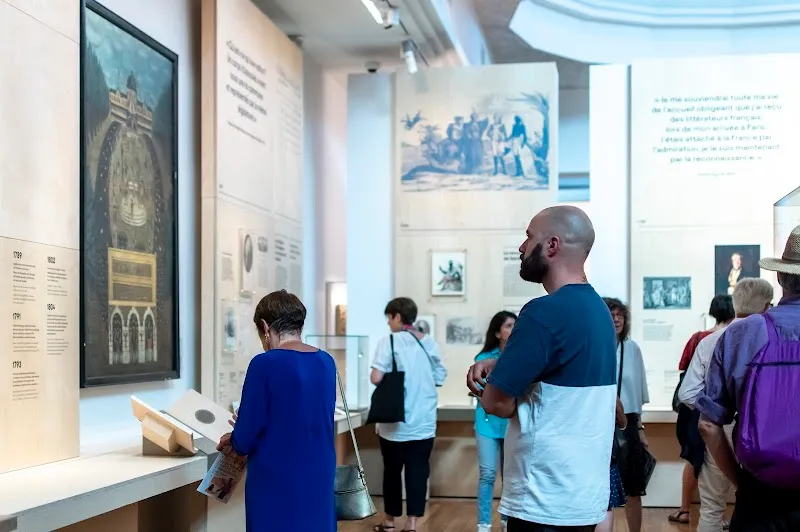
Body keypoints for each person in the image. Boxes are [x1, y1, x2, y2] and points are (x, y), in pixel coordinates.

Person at [466, 205, 617, 531]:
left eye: (528, 237)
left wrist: (500, 378)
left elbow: (497, 403)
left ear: (551, 245)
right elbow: (561, 376)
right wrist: (506, 365)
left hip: (542, 499)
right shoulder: (599, 310)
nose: (521, 248)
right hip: (582, 499)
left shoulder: (542, 312)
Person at [698, 225, 800, 530]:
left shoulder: (744, 333)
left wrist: (741, 483)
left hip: (761, 498)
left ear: (780, 277)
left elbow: (707, 424)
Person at [216, 290, 336, 532]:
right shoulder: (326, 361)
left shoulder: (264, 364)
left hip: (277, 477)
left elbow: (245, 439)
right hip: (320, 472)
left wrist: (235, 436)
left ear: (264, 326)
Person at [679, 279, 773, 532]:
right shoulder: (771, 340)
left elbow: (687, 392)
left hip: (717, 431)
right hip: (761, 433)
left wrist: (715, 406)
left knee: (712, 508)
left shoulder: (710, 340)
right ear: (768, 305)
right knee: (764, 508)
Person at [371, 297, 447, 532]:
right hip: (424, 421)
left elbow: (376, 377)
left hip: (394, 424)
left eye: (389, 318)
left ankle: (390, 522)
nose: (388, 323)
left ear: (397, 316)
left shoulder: (389, 342)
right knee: (418, 471)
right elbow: (440, 376)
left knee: (392, 472)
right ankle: (412, 523)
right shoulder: (429, 343)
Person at [670, 294, 735, 525]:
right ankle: (726, 516)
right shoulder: (739, 337)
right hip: (728, 415)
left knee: (695, 460)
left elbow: (684, 371)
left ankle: (685, 508)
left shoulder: (699, 338)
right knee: (727, 466)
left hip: (697, 412)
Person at [603, 297, 649, 532]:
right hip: (599, 423)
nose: (617, 319)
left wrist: (640, 429)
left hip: (627, 424)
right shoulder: (595, 347)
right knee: (601, 488)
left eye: (620, 315)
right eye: (611, 314)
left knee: (633, 487)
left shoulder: (632, 349)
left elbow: (638, 393)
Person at [474, 311, 518, 532]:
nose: (513, 329)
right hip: (487, 425)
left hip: (511, 425)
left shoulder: (521, 358)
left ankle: (507, 520)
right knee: (488, 474)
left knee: (509, 477)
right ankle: (484, 524)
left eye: (515, 325)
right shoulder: (483, 360)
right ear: (497, 332)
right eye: (508, 325)